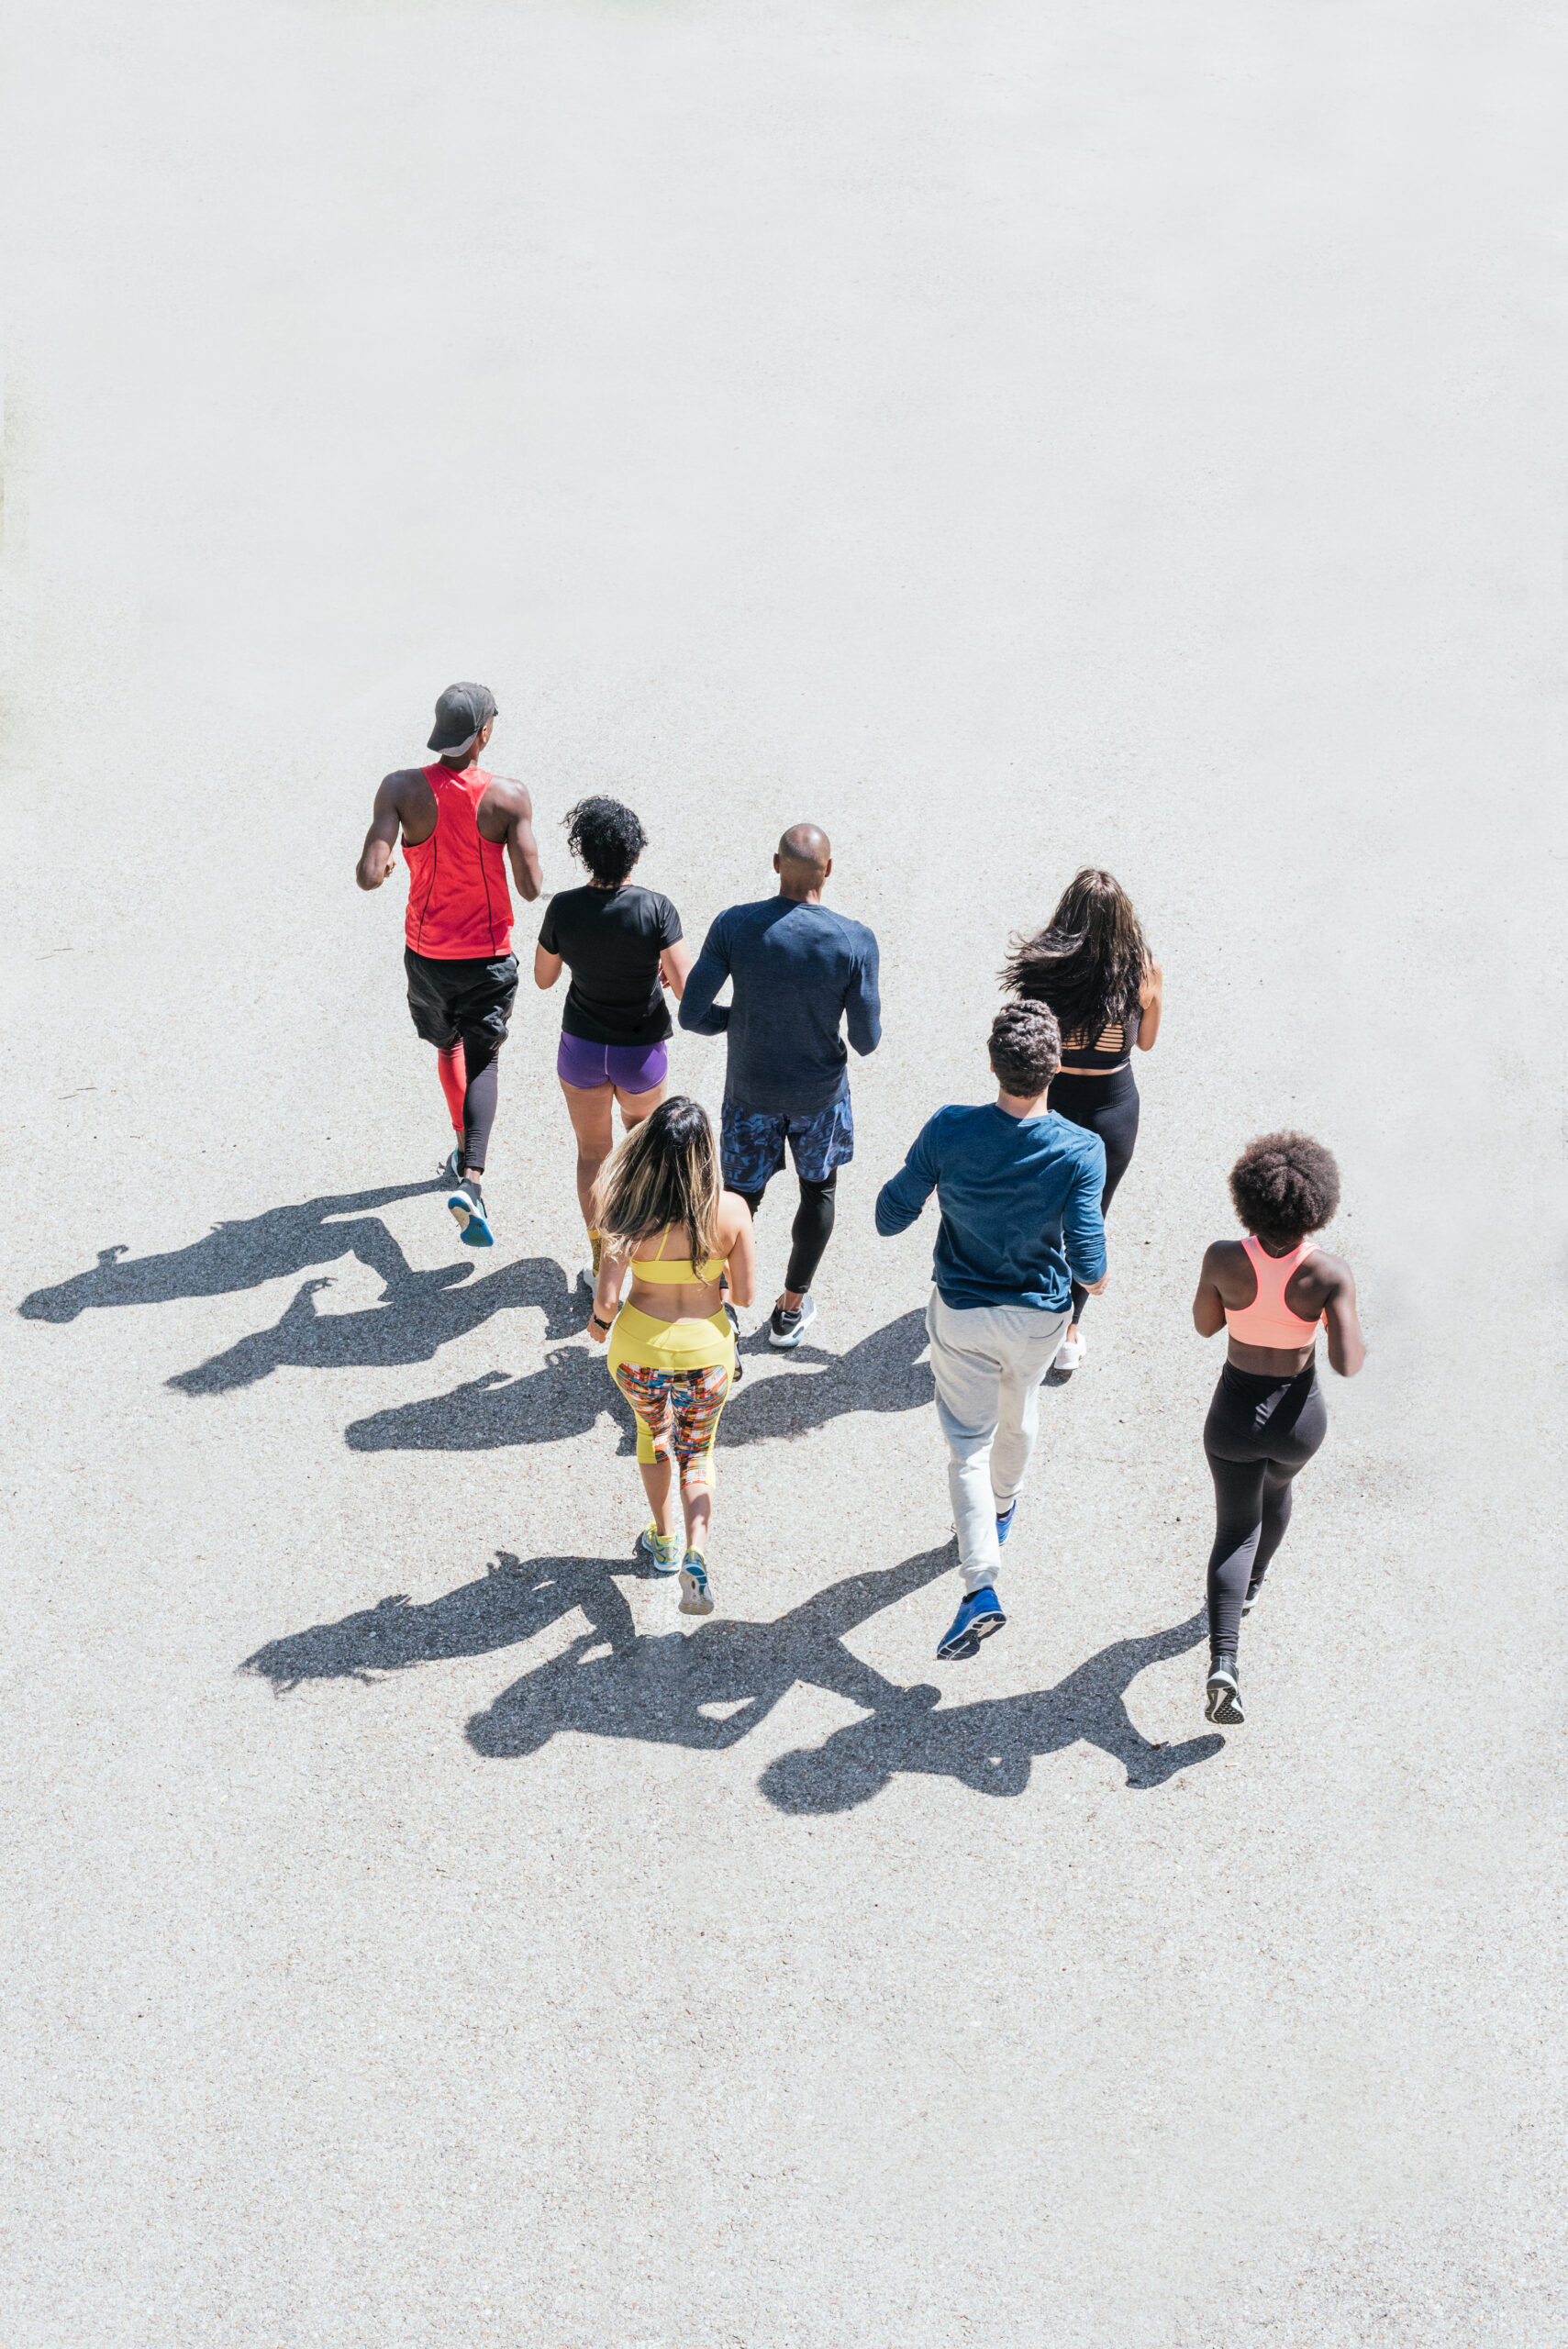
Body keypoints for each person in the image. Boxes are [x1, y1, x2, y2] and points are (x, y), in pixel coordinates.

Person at [875, 1002, 1108, 1661]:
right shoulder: (1080, 1148)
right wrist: (1096, 1273)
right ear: (1056, 1067)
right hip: (1039, 1317)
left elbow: (889, 1217)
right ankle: (1004, 1507)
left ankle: (980, 1586)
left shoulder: (949, 1130)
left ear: (991, 1066)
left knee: (966, 1447)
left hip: (963, 1311)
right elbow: (1089, 1265)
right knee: (1022, 1404)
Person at [679, 823, 881, 1349]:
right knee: (819, 1192)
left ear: (775, 864)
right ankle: (790, 1309)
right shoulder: (854, 940)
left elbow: (693, 1014)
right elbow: (866, 1040)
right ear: (829, 870)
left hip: (750, 1094)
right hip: (820, 1099)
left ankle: (718, 1304)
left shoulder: (735, 925)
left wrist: (740, 1018)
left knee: (739, 1198)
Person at [356, 683, 542, 1248]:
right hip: (486, 957)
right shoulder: (508, 797)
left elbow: (368, 873)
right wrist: (509, 841)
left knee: (450, 1046)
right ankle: (473, 1181)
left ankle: (462, 1136)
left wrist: (388, 864)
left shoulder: (400, 788)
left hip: (428, 954)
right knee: (484, 1059)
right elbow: (532, 889)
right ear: (484, 732)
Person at [1191, 1130, 1365, 1725]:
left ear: (1248, 1201)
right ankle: (1256, 1583)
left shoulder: (1222, 1258)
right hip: (1297, 1420)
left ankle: (1223, 1662)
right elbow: (1346, 1363)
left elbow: (1204, 1326)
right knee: (1277, 1494)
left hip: (1232, 1416)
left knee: (1233, 1529)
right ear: (1317, 1207)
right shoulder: (1328, 1273)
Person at [587, 1097, 756, 1617]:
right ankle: (696, 1554)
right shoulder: (730, 1211)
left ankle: (662, 1542)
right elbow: (746, 1297)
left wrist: (598, 1325)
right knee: (697, 1451)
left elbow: (608, 1300)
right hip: (707, 1352)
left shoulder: (629, 1211)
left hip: (639, 1349)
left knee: (652, 1435)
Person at [1001, 868, 1162, 1375]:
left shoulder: (1041, 971)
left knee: (1034, 1207)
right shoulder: (1140, 973)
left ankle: (1021, 1307)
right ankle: (1069, 1329)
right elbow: (1148, 1043)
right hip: (1112, 1109)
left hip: (1050, 1102)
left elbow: (1025, 1038)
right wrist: (1151, 1000)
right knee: (1090, 1216)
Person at [535, 797, 694, 1289]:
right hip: (640, 1053)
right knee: (644, 1151)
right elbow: (687, 989)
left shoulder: (563, 907)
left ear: (584, 854)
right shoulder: (655, 907)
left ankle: (603, 1260)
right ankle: (646, 1254)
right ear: (635, 856)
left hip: (581, 1048)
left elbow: (543, 978)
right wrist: (658, 972)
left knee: (592, 1155)